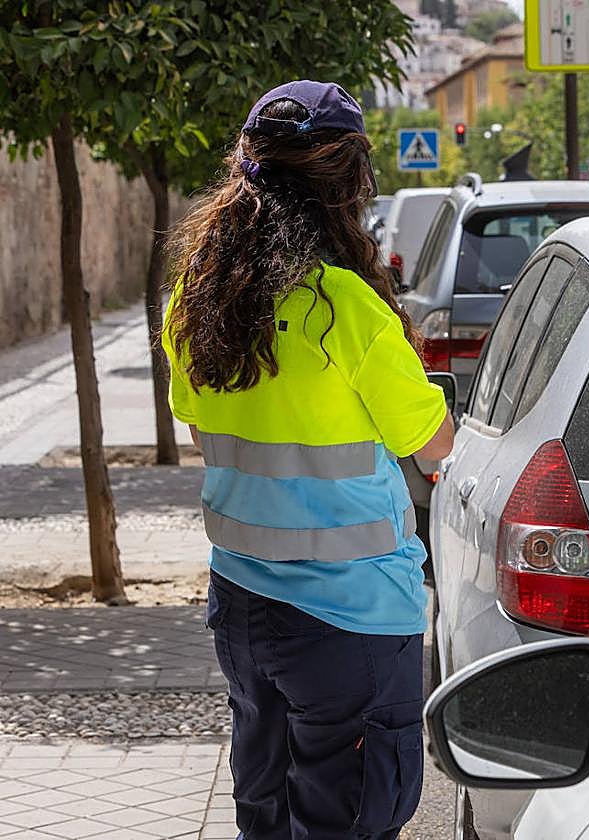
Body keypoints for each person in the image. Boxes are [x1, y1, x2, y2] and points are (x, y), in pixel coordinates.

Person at [162, 80, 454, 839]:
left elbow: (204, 438)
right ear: (350, 183)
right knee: (348, 818)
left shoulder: (196, 301)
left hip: (241, 610)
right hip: (349, 620)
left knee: (266, 813)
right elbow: (435, 447)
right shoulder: (348, 310)